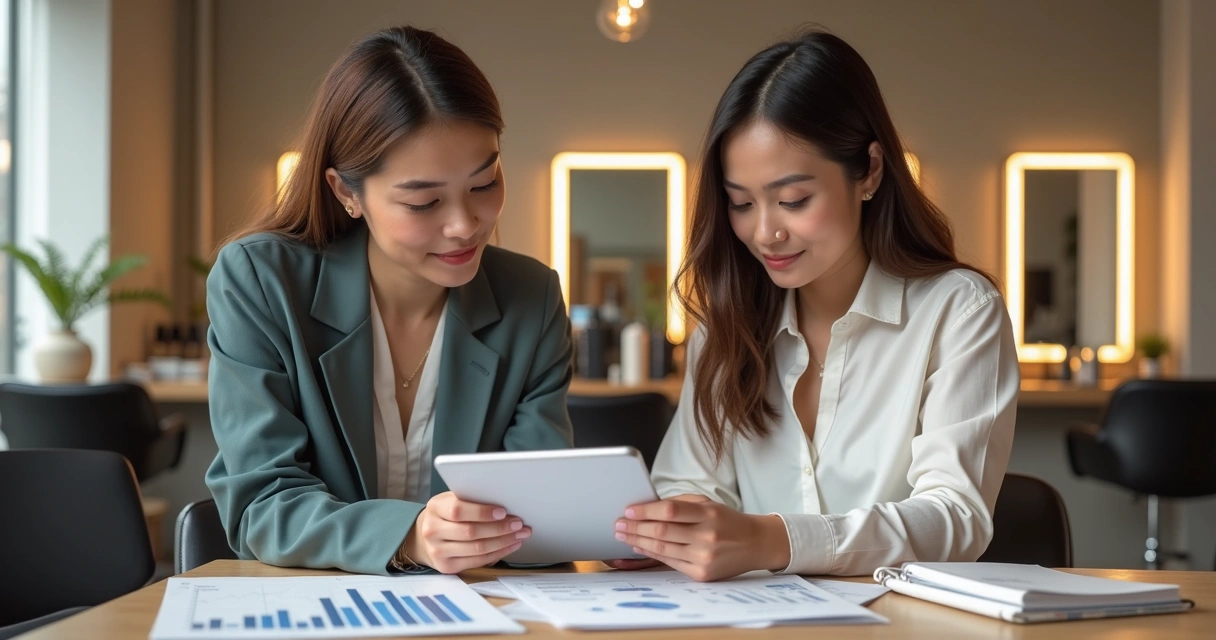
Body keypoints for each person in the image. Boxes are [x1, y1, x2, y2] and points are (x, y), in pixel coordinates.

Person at [613, 30, 1019, 581]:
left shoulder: (958, 311)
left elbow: (955, 517)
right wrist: (662, 532)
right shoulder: (726, 324)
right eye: (740, 203)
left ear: (870, 170)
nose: (764, 233)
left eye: (793, 200)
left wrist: (773, 540)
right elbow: (690, 483)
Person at [205, 25, 573, 576]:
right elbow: (261, 506)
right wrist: (411, 537)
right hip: (313, 613)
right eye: (424, 203)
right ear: (346, 192)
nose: (465, 225)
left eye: (484, 182)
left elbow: (541, 510)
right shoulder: (260, 281)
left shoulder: (532, 298)